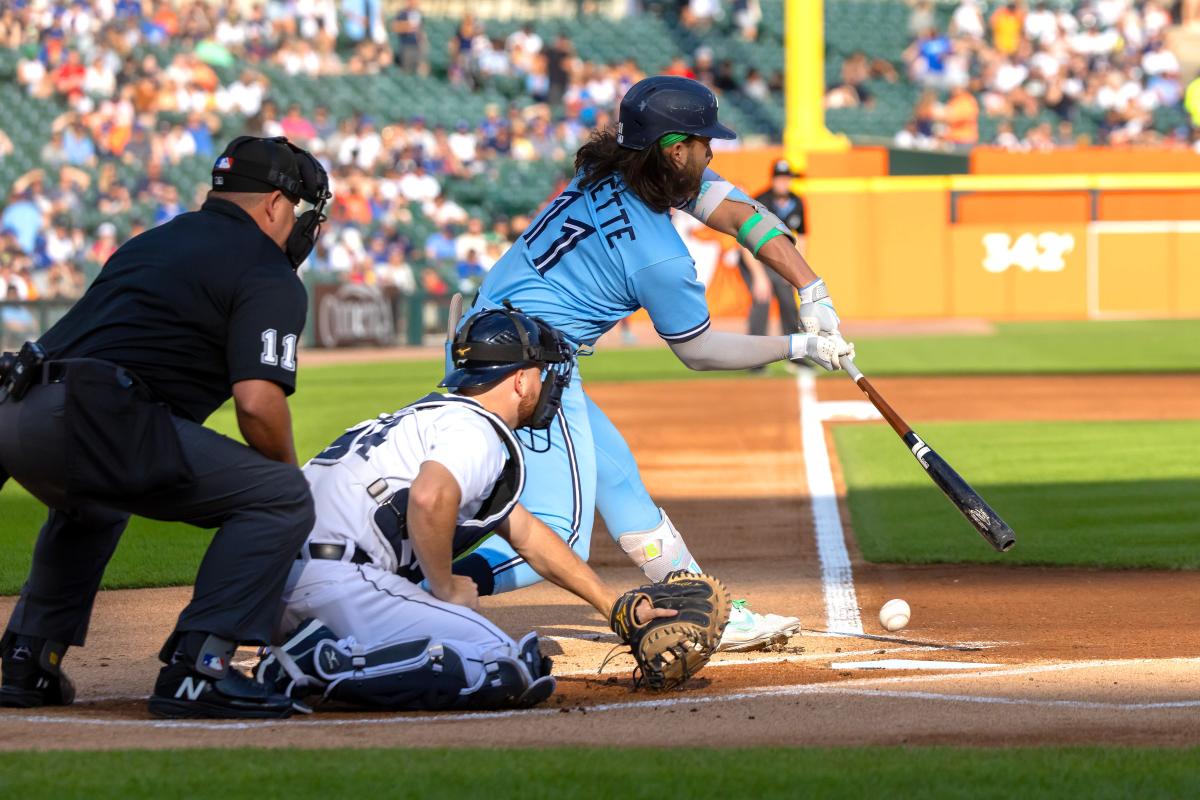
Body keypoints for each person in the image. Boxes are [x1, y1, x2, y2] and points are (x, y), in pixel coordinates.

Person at [456, 76, 854, 651]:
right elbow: (699, 350)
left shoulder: (617, 170)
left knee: (618, 481)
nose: (712, 152)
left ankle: (696, 601)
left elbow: (743, 216)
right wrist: (798, 347)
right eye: (703, 142)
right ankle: (409, 586)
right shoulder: (659, 257)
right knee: (559, 530)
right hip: (523, 367)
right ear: (675, 149)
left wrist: (809, 287)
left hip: (497, 337)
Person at [0, 135, 332, 719]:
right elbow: (256, 404)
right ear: (278, 205)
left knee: (97, 500)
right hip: (96, 414)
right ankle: (198, 669)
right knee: (280, 497)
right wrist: (287, 480)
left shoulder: (152, 241)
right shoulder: (266, 269)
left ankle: (27, 663)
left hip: (18, 410)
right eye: (304, 213)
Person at [258, 307, 680, 710]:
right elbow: (429, 496)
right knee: (508, 663)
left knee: (483, 653)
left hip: (272, 586)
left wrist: (614, 607)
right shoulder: (475, 430)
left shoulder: (425, 418)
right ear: (518, 381)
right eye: (540, 372)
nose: (546, 384)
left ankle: (311, 651)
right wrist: (445, 587)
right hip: (341, 585)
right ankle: (318, 663)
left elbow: (528, 536)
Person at [739, 159, 806, 346]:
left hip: (778, 261)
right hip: (754, 259)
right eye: (779, 178)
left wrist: (796, 271)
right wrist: (759, 277)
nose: (783, 182)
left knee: (788, 300)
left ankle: (796, 352)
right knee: (762, 299)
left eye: (786, 178)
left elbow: (802, 239)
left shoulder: (797, 202)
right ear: (773, 180)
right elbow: (745, 242)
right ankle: (755, 357)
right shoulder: (761, 202)